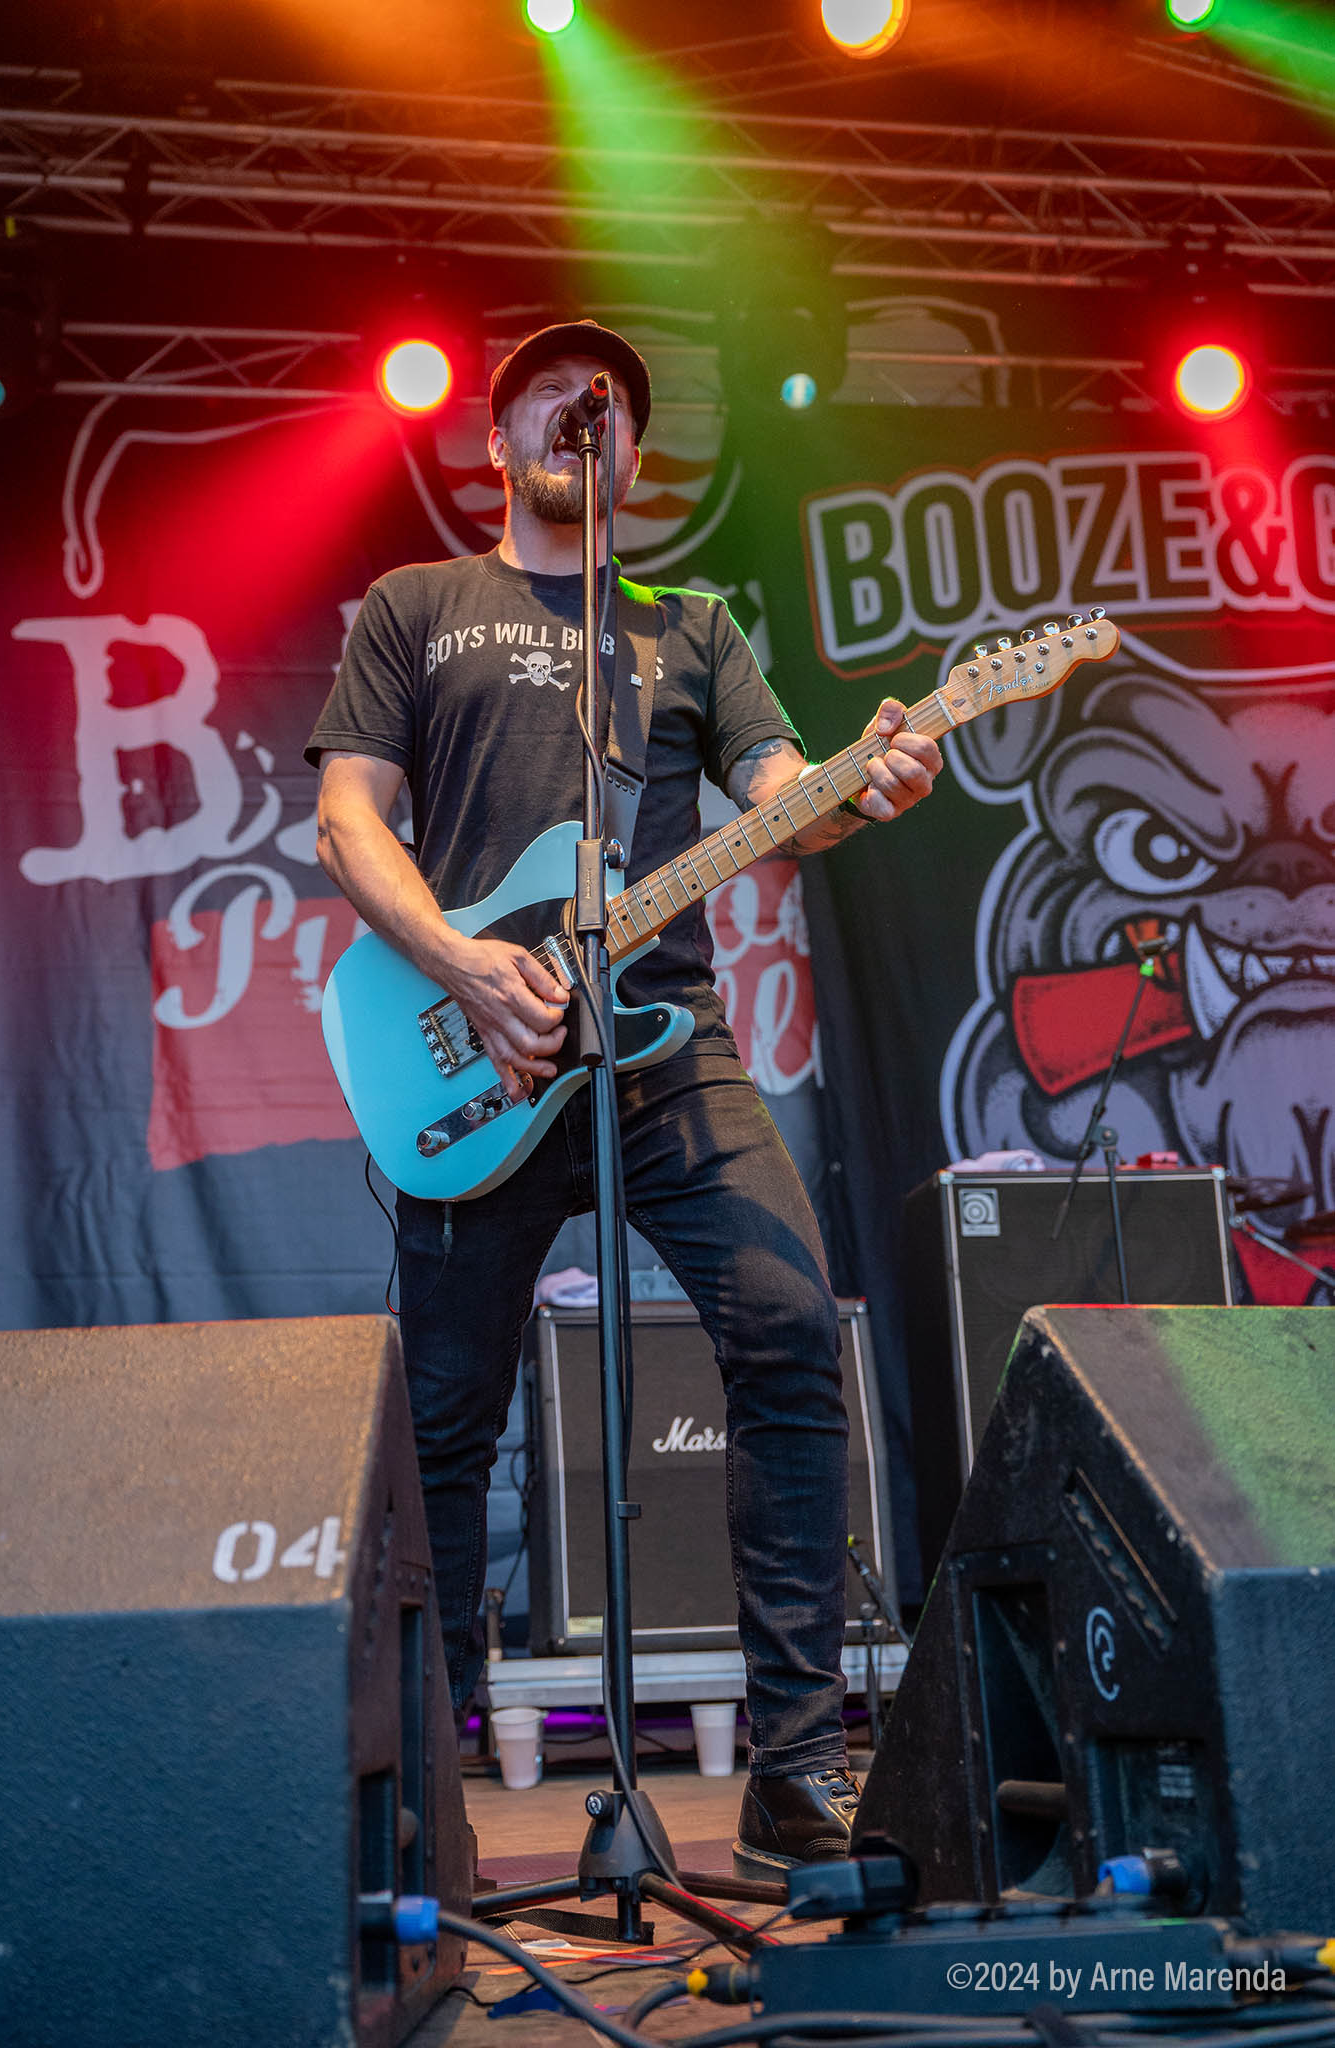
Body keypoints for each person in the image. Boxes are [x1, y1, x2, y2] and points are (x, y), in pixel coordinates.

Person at [306, 318, 941, 1876]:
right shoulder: (418, 606)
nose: (576, 417)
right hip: (487, 1051)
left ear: (634, 456)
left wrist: (862, 784)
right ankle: (430, 1807)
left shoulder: (688, 629)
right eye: (545, 398)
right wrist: (464, 963)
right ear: (495, 440)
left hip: (666, 1045)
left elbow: (785, 802)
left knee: (791, 1332)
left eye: (603, 407)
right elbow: (347, 819)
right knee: (444, 1425)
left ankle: (796, 1772)